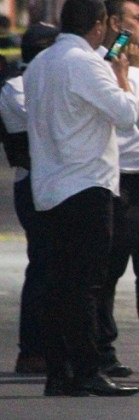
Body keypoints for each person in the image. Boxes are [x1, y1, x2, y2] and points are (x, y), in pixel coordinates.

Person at [24, 0, 139, 397]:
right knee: (86, 285)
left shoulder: (40, 64)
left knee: (58, 285)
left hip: (49, 186)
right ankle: (89, 368)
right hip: (87, 184)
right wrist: (123, 78)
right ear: (98, 25)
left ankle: (60, 373)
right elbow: (126, 116)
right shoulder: (87, 63)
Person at [93, 0, 139, 379]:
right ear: (116, 24)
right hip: (120, 180)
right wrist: (126, 71)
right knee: (109, 271)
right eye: (137, 19)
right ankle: (103, 350)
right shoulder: (104, 68)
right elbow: (125, 119)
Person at [2, 22, 59, 374]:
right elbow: (41, 129)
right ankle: (32, 349)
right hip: (34, 182)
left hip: (61, 182)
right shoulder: (15, 89)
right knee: (42, 265)